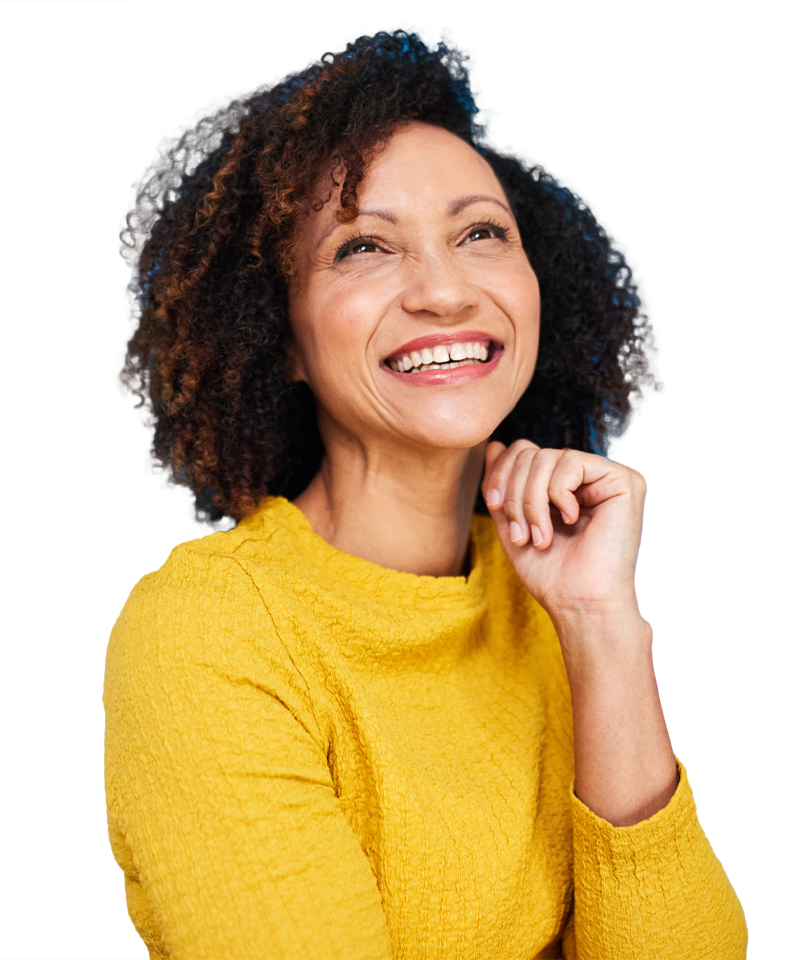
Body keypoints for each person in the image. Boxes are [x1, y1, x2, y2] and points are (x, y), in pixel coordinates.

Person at [104, 30, 748, 960]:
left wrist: (600, 628)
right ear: (277, 334)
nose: (445, 291)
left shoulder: (549, 596)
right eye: (363, 246)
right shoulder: (210, 630)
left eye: (481, 232)